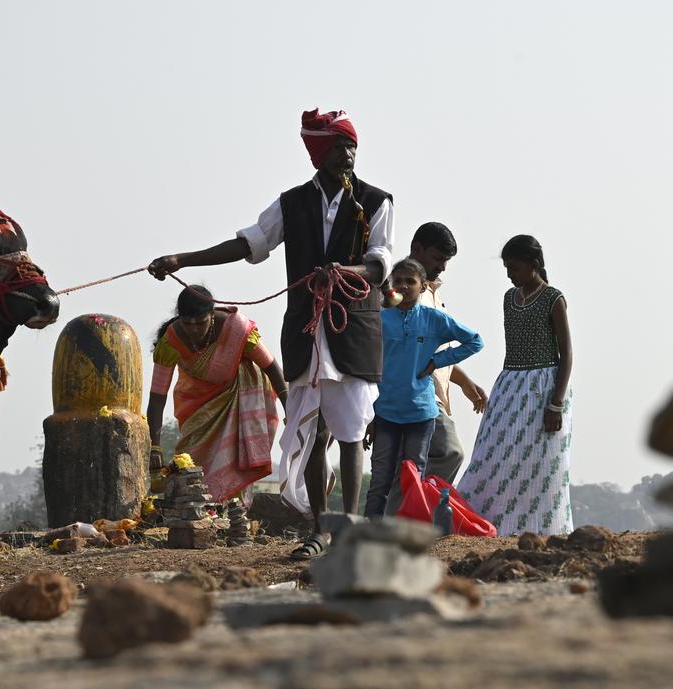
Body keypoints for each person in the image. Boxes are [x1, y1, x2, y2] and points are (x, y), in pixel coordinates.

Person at [148, 108, 393, 560]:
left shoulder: (376, 201)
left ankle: (348, 527)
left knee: (351, 433)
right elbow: (249, 244)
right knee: (313, 432)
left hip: (351, 332)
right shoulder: (293, 203)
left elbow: (380, 264)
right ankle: (319, 530)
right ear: (319, 153)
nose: (349, 154)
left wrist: (344, 271)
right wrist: (183, 259)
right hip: (306, 330)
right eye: (340, 146)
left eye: (352, 146)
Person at [457, 235, 574, 536]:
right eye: (507, 269)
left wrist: (556, 403)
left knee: (539, 464)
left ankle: (538, 532)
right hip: (510, 385)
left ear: (534, 266)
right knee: (491, 455)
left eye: (516, 268)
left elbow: (567, 354)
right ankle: (485, 525)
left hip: (544, 389)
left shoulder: (553, 299)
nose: (511, 275)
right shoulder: (509, 298)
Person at [364, 258, 483, 518]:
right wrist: (367, 416)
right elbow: (367, 367)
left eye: (411, 281)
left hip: (421, 412)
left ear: (423, 286)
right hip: (385, 412)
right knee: (380, 479)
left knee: (413, 476)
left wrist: (437, 361)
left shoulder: (434, 319)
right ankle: (369, 536)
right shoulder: (380, 319)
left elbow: (475, 341)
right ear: (392, 285)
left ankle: (408, 533)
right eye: (399, 281)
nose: (404, 286)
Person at [145, 285, 287, 504]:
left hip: (238, 400)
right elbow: (157, 397)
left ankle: (233, 519)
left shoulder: (237, 331)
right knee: (189, 461)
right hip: (195, 407)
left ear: (212, 315)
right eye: (187, 323)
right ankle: (199, 516)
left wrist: (292, 411)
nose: (193, 330)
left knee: (234, 460)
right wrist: (154, 445)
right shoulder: (170, 342)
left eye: (200, 323)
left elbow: (271, 367)